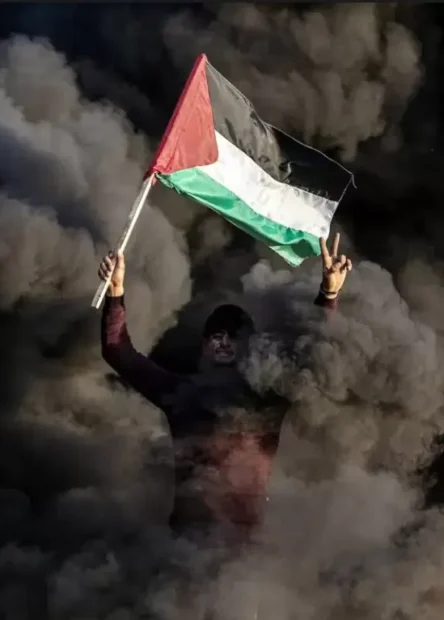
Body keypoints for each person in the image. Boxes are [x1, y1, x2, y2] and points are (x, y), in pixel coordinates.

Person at [99, 233, 351, 614]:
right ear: (204, 346)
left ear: (248, 346)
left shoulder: (267, 399)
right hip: (181, 554)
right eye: (215, 337)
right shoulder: (179, 392)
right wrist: (116, 291)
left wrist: (328, 294)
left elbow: (310, 353)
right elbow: (119, 352)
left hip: (242, 564)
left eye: (233, 338)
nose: (222, 344)